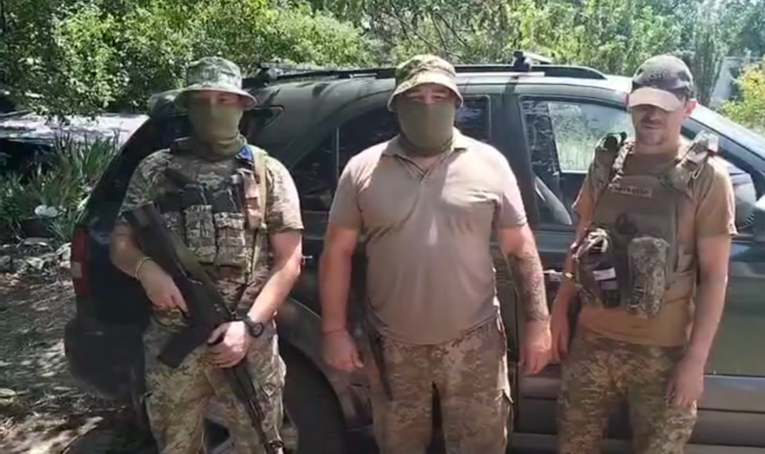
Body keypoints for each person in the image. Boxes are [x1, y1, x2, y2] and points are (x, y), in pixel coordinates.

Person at [319, 54, 552, 454]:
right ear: (397, 104)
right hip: (392, 347)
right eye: (416, 97)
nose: (428, 105)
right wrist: (334, 331)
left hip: (474, 343)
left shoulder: (489, 164)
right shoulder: (363, 169)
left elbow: (520, 247)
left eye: (439, 95)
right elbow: (337, 252)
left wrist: (538, 322)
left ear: (456, 102)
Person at [109, 56, 304, 454]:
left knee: (260, 442)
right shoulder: (155, 170)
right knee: (175, 446)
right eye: (202, 100)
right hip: (174, 338)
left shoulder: (268, 172)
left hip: (247, 341)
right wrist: (146, 269)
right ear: (188, 107)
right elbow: (120, 243)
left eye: (223, 99)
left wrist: (248, 327)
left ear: (241, 106)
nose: (213, 108)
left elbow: (290, 261)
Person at [551, 54, 736, 454]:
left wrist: (695, 362)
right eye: (644, 103)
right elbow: (581, 242)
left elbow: (715, 277)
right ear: (629, 103)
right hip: (592, 340)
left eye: (665, 105)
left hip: (663, 353)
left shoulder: (707, 178)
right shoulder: (607, 163)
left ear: (688, 108)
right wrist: (560, 310)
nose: (652, 115)